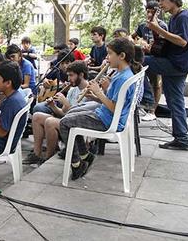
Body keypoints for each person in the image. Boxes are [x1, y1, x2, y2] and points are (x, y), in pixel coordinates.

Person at [59, 37, 139, 179]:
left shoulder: (122, 78)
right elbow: (113, 101)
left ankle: (77, 164)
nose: (107, 58)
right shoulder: (122, 74)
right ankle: (85, 155)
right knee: (71, 113)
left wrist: (98, 92)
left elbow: (114, 108)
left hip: (107, 121)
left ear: (121, 56)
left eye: (110, 54)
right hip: (106, 115)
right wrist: (101, 93)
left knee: (64, 123)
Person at [142, 0, 188, 151]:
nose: (160, 4)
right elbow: (171, 41)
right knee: (175, 102)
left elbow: (182, 41)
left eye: (162, 0)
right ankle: (181, 138)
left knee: (140, 61)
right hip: (176, 63)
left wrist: (158, 29)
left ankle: (146, 100)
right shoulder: (174, 18)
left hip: (177, 64)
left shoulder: (184, 17)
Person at [24, 61, 89, 165]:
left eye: (71, 75)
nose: (68, 79)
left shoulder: (89, 91)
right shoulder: (73, 90)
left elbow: (79, 116)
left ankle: (48, 157)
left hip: (77, 125)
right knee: (36, 116)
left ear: (81, 75)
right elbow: (63, 113)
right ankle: (37, 154)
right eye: (68, 75)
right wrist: (53, 106)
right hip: (66, 122)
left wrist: (66, 104)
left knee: (50, 122)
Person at [131, 1, 168, 121]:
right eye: (148, 11)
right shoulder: (142, 25)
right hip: (144, 57)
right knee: (144, 81)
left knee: (156, 83)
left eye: (153, 12)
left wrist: (152, 47)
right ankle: (146, 106)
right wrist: (139, 43)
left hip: (157, 58)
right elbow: (133, 36)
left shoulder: (162, 26)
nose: (150, 14)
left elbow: (164, 43)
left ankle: (153, 110)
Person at [0, 61, 28, 155]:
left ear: (8, 83)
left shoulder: (12, 102)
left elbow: (1, 133)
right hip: (0, 143)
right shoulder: (15, 96)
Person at [33, 49, 75, 114]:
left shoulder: (75, 74)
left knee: (38, 108)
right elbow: (45, 77)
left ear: (72, 62)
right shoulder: (57, 71)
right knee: (37, 107)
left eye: (67, 63)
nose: (64, 66)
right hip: (55, 100)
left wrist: (70, 89)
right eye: (62, 63)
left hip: (67, 102)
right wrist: (45, 80)